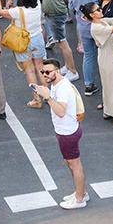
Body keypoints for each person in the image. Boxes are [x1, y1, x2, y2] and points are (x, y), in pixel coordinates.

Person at [33, 58, 88, 210]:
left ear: (57, 71)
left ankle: (79, 198)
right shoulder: (57, 84)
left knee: (74, 164)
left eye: (48, 72)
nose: (44, 75)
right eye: (42, 72)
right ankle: (81, 191)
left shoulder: (62, 88)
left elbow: (61, 111)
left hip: (67, 132)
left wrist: (48, 97)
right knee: (70, 162)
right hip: (67, 130)